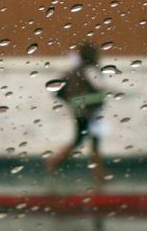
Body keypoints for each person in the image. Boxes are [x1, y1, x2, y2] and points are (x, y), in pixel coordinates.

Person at [45, 41, 109, 186]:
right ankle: (54, 161)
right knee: (84, 141)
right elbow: (101, 89)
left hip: (80, 110)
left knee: (89, 141)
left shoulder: (74, 70)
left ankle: (100, 173)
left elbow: (59, 89)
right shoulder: (90, 70)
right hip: (89, 112)